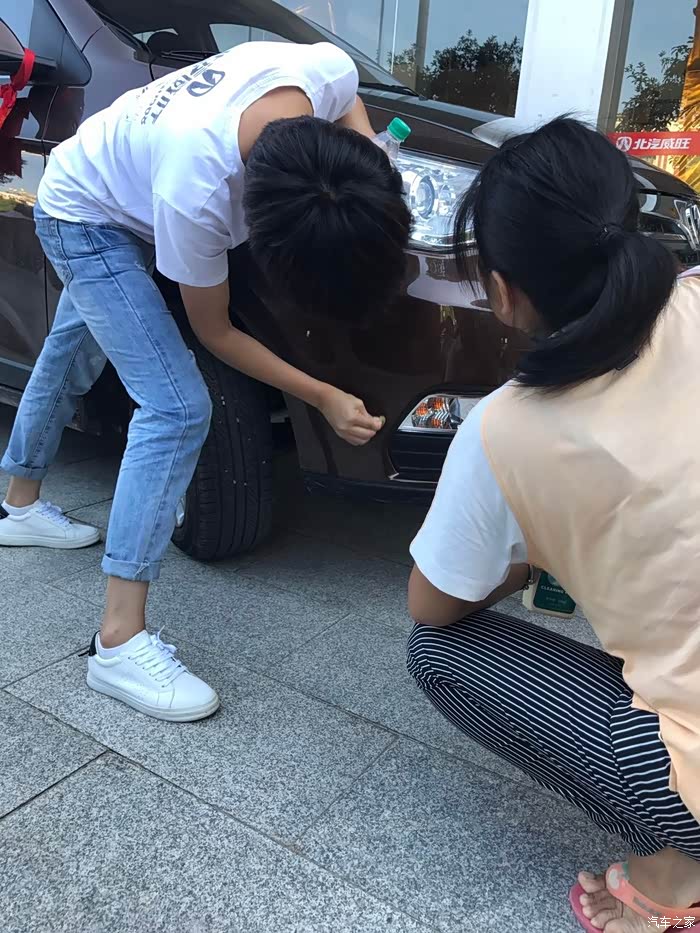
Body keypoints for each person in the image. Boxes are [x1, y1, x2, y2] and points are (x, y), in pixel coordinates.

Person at [0, 41, 411, 722]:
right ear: (252, 220)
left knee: (71, 351)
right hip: (81, 214)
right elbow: (216, 333)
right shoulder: (197, 195)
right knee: (176, 406)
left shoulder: (322, 71)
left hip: (121, 176)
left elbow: (352, 109)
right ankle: (117, 643)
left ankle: (18, 506)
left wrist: (371, 157)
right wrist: (323, 395)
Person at [405, 117, 700, 932]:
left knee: (437, 653)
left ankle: (672, 870)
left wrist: (531, 555)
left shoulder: (506, 428)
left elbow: (431, 603)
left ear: (502, 291)